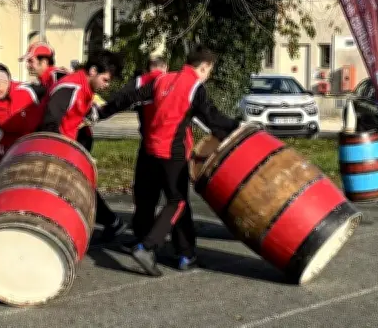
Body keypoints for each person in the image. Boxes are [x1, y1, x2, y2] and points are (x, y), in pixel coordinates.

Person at [97, 45, 240, 276]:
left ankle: (183, 253)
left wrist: (101, 113)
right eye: (209, 71)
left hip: (150, 150)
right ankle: (148, 247)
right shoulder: (194, 86)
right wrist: (237, 127)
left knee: (153, 200)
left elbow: (131, 98)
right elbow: (212, 118)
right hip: (172, 153)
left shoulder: (162, 79)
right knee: (178, 202)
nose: (208, 76)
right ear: (204, 67)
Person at [38, 49, 128, 242]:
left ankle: (110, 223)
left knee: (79, 188)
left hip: (69, 146)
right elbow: (49, 123)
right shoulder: (70, 88)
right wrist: (58, 153)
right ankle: (110, 222)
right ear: (93, 71)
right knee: (74, 189)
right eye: (105, 80)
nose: (106, 85)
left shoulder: (83, 87)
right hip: (56, 148)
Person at [115, 56, 168, 252]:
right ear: (166, 67)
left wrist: (100, 112)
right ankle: (184, 250)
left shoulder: (142, 83)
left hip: (149, 146)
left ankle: (142, 238)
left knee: (144, 195)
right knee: (175, 199)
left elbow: (121, 99)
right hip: (172, 149)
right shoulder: (173, 83)